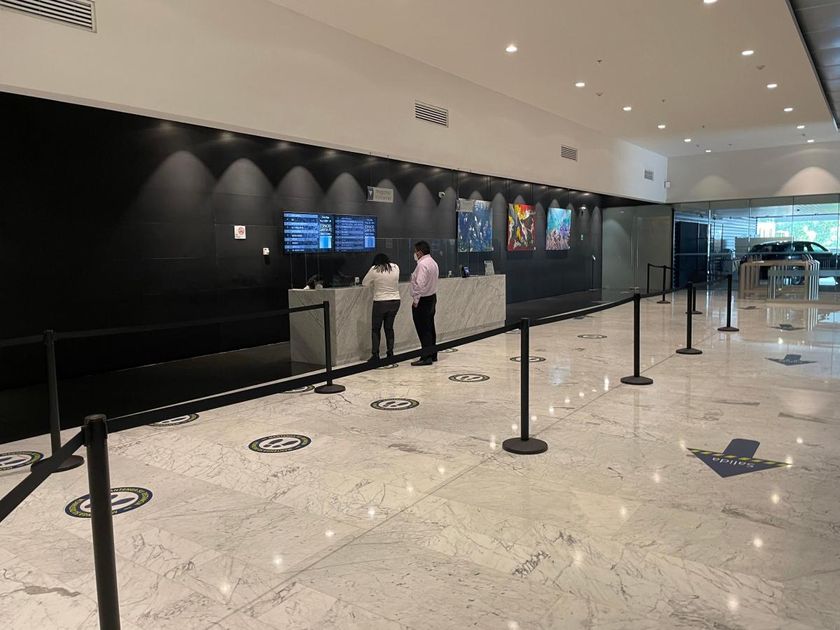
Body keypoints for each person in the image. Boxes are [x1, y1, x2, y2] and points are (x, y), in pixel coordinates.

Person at [361, 253, 401, 362]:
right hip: (395, 301)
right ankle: (390, 352)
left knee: (376, 329)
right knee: (389, 328)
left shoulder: (374, 269)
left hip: (380, 302)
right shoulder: (396, 267)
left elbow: (364, 283)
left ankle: (375, 354)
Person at [409, 240, 439, 366]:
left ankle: (426, 357)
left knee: (423, 329)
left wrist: (416, 300)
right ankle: (433, 354)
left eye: (415, 251)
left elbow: (419, 284)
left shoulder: (422, 265)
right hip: (432, 298)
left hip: (423, 300)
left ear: (420, 252)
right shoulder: (433, 262)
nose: (414, 254)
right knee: (430, 327)